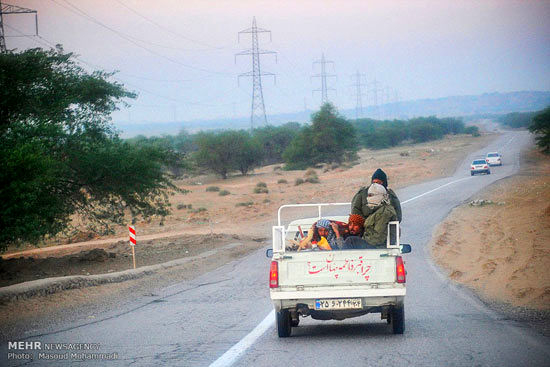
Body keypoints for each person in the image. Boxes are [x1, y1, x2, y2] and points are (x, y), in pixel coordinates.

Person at [361, 183, 397, 248]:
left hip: (376, 246)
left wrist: (363, 240)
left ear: (380, 196)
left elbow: (378, 238)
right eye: (368, 195)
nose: (368, 198)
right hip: (371, 243)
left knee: (351, 241)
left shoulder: (384, 212)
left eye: (371, 195)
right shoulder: (378, 209)